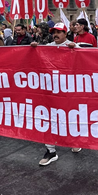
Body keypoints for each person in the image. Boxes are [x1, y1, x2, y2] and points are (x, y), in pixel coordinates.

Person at [29, 23, 81, 165]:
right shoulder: (48, 46)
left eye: (58, 32)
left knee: (70, 117)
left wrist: (75, 49)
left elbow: (85, 58)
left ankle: (74, 141)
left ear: (65, 33)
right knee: (48, 118)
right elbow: (37, 55)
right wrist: (34, 48)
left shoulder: (72, 45)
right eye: (54, 32)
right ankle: (51, 151)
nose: (55, 35)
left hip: (68, 91)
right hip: (50, 91)